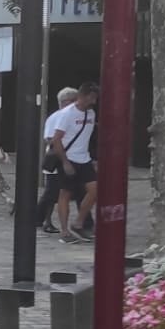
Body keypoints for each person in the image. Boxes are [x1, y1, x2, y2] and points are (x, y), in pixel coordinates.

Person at [49, 82, 100, 243]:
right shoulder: (66, 114)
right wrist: (65, 162)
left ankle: (78, 222)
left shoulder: (91, 114)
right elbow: (56, 140)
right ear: (82, 96)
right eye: (91, 98)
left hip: (84, 158)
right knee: (65, 193)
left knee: (94, 190)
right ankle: (64, 231)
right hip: (68, 158)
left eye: (95, 99)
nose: (93, 102)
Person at [36, 88, 78, 234]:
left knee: (60, 192)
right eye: (74, 101)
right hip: (56, 159)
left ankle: (45, 219)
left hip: (70, 157)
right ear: (66, 102)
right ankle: (39, 217)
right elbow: (49, 138)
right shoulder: (56, 117)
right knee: (51, 192)